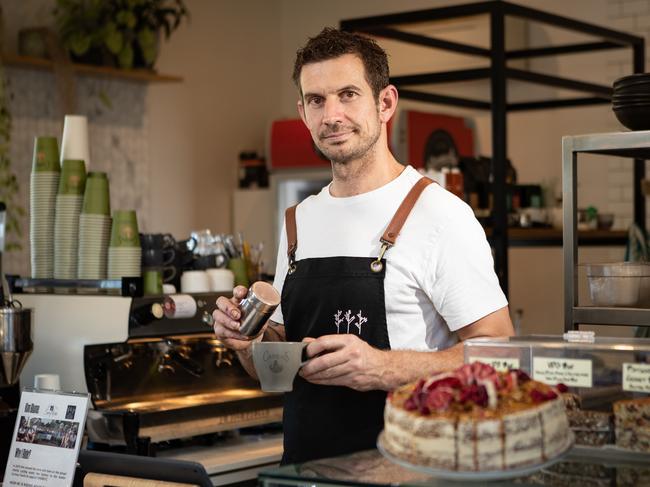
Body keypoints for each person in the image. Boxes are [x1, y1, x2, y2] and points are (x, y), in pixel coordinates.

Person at [213, 27, 514, 464]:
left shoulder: (439, 214)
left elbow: (500, 354)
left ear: (386, 102)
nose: (331, 115)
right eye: (316, 100)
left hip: (411, 469)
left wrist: (384, 368)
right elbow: (271, 369)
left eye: (348, 94)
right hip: (305, 470)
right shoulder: (299, 220)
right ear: (303, 112)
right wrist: (250, 339)